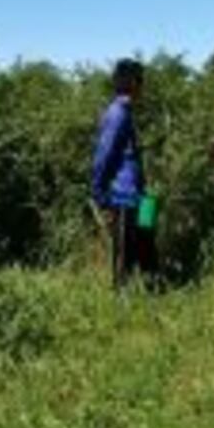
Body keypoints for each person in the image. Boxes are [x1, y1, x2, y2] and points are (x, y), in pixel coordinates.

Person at [92, 59, 159, 289]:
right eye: (142, 81)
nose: (144, 87)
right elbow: (103, 155)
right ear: (134, 83)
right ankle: (121, 305)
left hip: (140, 195)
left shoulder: (126, 111)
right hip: (123, 196)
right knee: (124, 255)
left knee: (146, 245)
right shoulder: (117, 114)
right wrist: (99, 193)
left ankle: (154, 292)